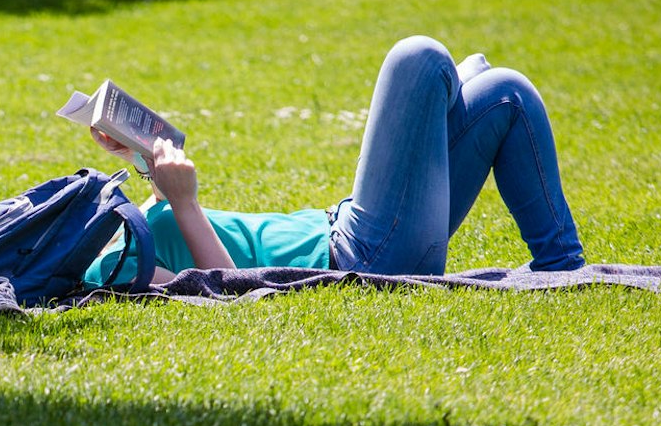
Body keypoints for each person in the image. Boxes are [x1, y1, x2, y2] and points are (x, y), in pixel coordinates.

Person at [84, 35, 587, 286]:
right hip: (358, 257)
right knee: (418, 59)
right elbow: (224, 295)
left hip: (347, 226)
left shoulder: (123, 234)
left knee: (504, 93)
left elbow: (170, 232)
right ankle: (442, 98)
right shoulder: (106, 274)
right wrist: (187, 205)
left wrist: (141, 158)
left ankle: (564, 268)